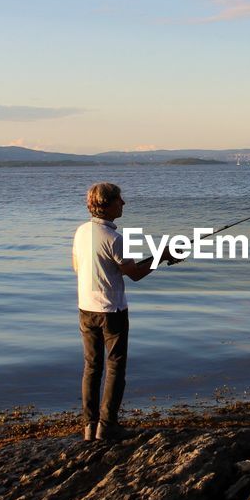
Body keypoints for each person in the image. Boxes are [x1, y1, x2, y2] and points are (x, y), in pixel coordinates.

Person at [72, 182, 177, 441]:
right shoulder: (116, 239)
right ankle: (107, 427)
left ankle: (89, 427)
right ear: (106, 205)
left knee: (92, 367)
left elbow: (78, 266)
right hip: (112, 310)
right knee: (115, 366)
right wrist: (162, 255)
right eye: (120, 200)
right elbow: (137, 275)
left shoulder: (82, 232)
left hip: (86, 308)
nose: (124, 203)